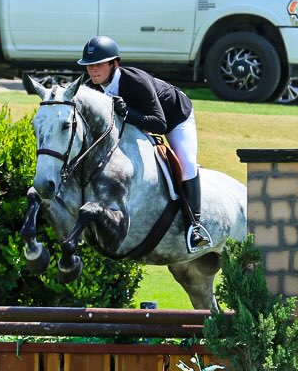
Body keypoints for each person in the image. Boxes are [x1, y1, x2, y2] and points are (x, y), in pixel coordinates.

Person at [77, 35, 212, 253]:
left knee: (186, 164)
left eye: (99, 64)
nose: (93, 70)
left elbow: (159, 124)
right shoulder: (91, 88)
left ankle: (195, 228)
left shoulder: (135, 81)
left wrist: (127, 113)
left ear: (114, 64)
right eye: (89, 66)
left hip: (175, 118)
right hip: (138, 122)